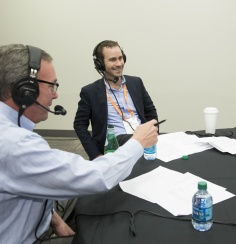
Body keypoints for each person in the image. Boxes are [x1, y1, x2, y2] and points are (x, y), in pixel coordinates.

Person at [0, 44, 158, 243]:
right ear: (25, 91)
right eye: (51, 85)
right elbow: (96, 177)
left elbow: (29, 182)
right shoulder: (14, 144)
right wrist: (137, 142)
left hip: (42, 224)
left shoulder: (14, 130)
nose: (55, 95)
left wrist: (53, 219)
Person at [74, 40, 158, 160]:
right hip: (116, 144)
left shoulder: (136, 83)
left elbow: (150, 111)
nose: (119, 64)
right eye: (112, 60)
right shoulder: (90, 92)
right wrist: (96, 155)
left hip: (143, 141)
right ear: (100, 64)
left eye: (120, 58)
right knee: (131, 140)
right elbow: (79, 125)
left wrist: (153, 135)